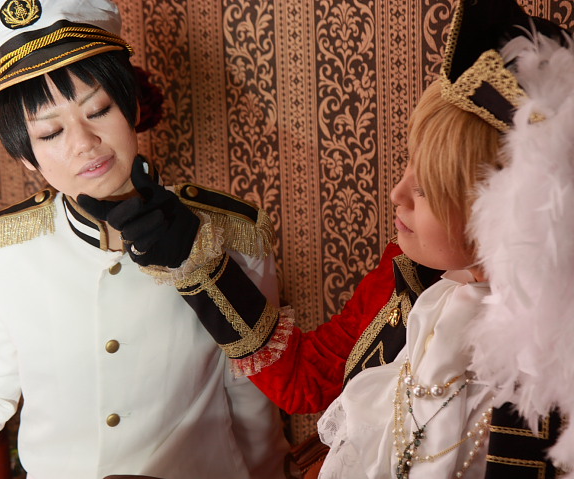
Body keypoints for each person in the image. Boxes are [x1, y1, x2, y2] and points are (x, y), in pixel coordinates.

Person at [0, 1, 290, 478]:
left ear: (131, 108)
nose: (83, 142)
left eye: (98, 110)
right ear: (26, 156)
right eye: (50, 132)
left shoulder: (229, 233)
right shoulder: (2, 253)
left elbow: (252, 387)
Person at [159, 0, 571, 477]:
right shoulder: (410, 271)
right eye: (408, 164)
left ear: (508, 212)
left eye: (426, 188)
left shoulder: (552, 359)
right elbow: (308, 377)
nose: (396, 194)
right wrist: (196, 260)